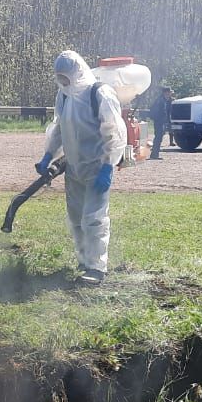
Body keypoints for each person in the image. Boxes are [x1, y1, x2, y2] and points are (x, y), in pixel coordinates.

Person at [34, 50, 127, 285]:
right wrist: (48, 154)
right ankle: (85, 259)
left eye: (66, 77)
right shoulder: (63, 96)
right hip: (74, 168)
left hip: (98, 168)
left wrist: (108, 166)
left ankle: (97, 267)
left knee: (93, 219)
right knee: (75, 218)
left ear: (77, 73)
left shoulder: (100, 93)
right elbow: (58, 129)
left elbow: (114, 132)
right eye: (59, 77)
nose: (62, 82)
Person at [148, 86, 174, 160]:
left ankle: (155, 154)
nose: (170, 94)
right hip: (159, 121)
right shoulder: (161, 101)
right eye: (169, 92)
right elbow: (161, 112)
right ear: (165, 93)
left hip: (160, 121)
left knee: (159, 138)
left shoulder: (163, 100)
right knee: (158, 138)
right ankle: (154, 155)